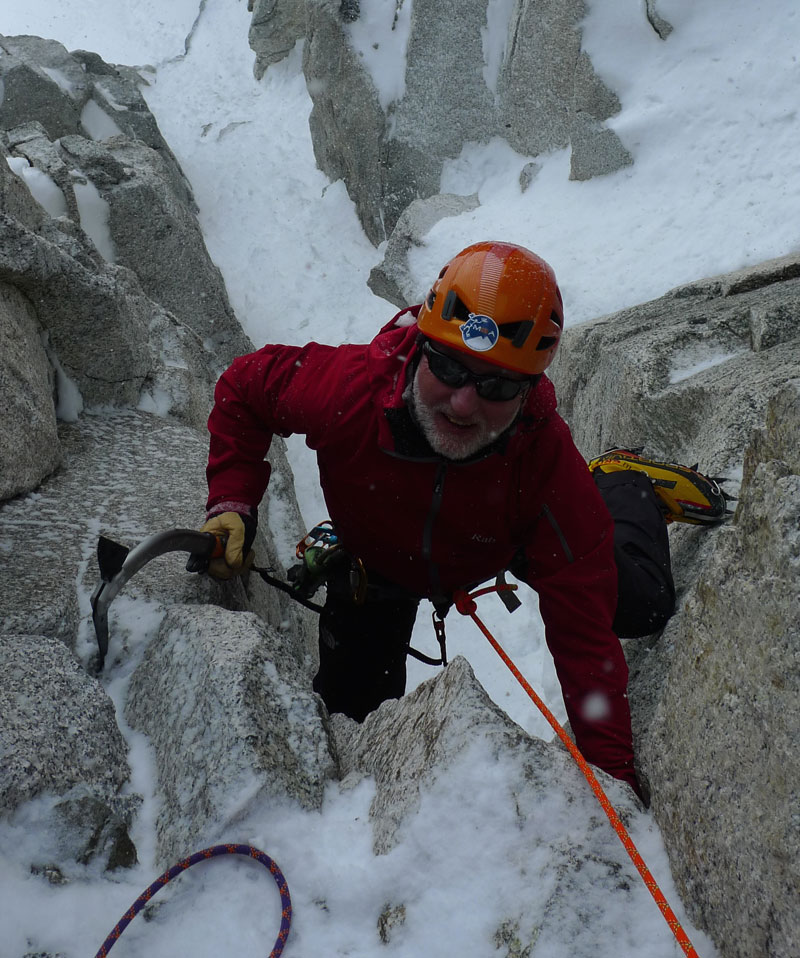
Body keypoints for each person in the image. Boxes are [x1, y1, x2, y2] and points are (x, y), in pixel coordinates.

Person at [201, 241, 727, 800]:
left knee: (641, 605)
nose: (462, 403)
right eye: (450, 367)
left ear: (528, 391)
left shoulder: (546, 469)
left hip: (509, 530)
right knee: (349, 723)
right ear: (423, 347)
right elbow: (246, 388)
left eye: (497, 385)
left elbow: (585, 642)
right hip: (376, 560)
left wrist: (612, 780)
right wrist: (232, 502)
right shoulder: (352, 389)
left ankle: (622, 484)